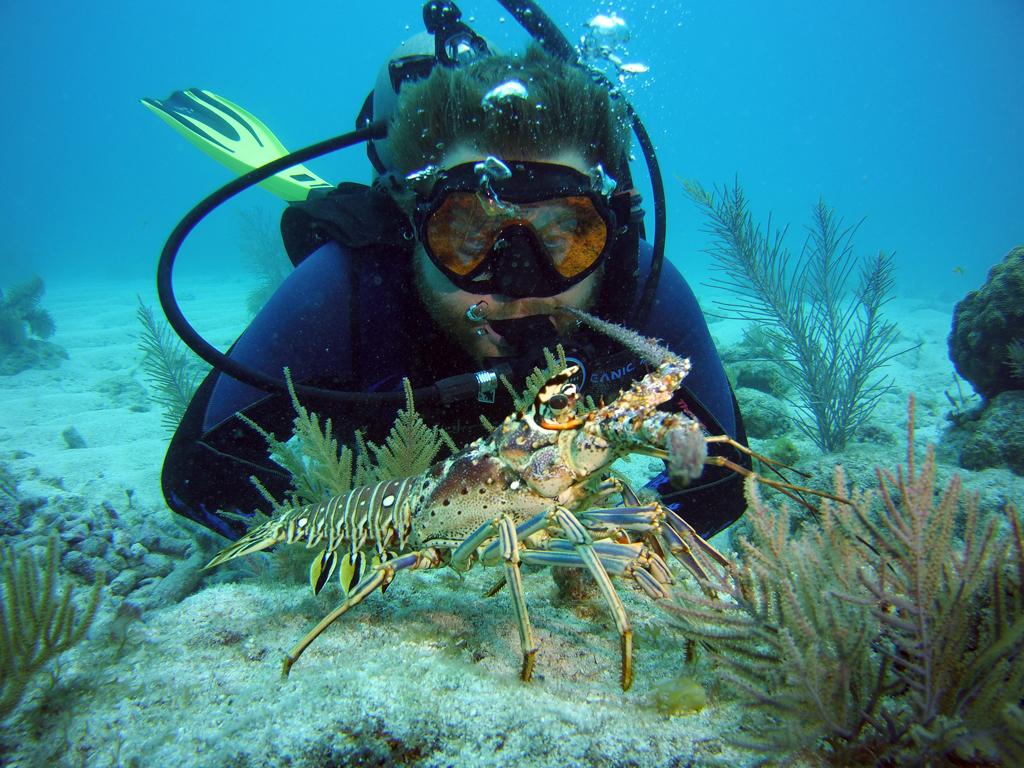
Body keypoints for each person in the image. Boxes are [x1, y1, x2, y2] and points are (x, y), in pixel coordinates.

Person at [159, 42, 750, 543]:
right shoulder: (346, 287)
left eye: (565, 236)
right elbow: (200, 474)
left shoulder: (640, 291)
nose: (517, 289)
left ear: (610, 235)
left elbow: (722, 482)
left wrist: (608, 530)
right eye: (467, 235)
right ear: (413, 226)